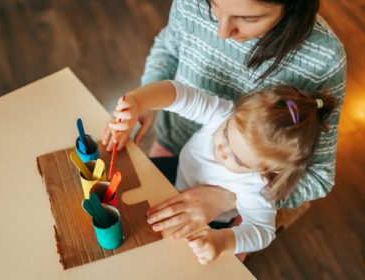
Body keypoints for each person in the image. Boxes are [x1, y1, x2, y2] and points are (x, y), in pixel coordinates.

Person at [103, 0, 346, 241]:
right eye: (213, 5)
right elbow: (170, 54)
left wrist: (228, 198)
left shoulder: (325, 59)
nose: (222, 32)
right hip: (173, 145)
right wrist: (142, 100)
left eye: (248, 18)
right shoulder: (221, 115)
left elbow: (318, 179)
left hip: (229, 205)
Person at [104, 80, 337, 264]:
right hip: (176, 172)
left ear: (267, 170)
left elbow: (263, 231)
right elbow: (177, 93)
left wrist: (223, 241)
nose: (221, 150)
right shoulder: (222, 114)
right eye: (225, 134)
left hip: (208, 221)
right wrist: (138, 101)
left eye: (237, 158)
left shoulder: (256, 187)